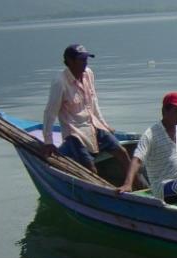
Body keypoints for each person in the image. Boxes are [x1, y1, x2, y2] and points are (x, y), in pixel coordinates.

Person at [41, 44, 131, 176]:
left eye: (86, 59)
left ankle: (135, 183)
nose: (85, 63)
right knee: (90, 168)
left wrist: (104, 125)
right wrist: (48, 142)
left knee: (122, 153)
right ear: (70, 61)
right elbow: (50, 112)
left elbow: (93, 102)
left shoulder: (88, 74)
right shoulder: (60, 82)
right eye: (82, 60)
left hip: (93, 125)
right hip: (75, 133)